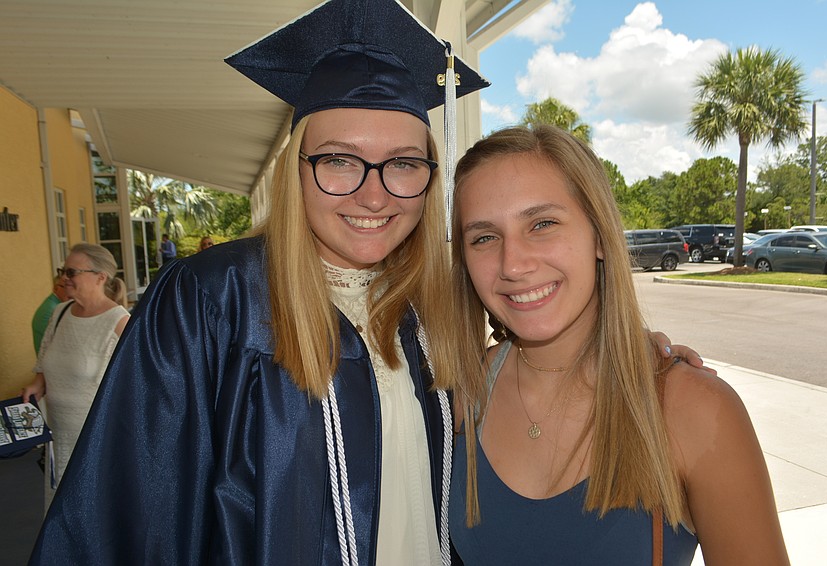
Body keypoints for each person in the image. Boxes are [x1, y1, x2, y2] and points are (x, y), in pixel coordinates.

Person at [29, 3, 698, 563]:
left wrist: (630, 353)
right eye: (340, 161)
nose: (374, 194)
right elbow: (126, 520)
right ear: (298, 170)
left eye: (403, 164)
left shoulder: (435, 312)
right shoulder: (213, 302)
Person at [447, 126, 789, 565]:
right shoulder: (463, 397)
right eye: (484, 237)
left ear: (600, 236)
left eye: (543, 224)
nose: (513, 263)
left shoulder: (694, 411)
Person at [21, 243, 130, 513]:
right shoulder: (59, 314)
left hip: (97, 440)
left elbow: (134, 386)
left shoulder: (119, 321)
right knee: (60, 512)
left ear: (100, 277)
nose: (63, 279)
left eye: (71, 272)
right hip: (57, 438)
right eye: (63, 271)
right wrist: (37, 384)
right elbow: (44, 364)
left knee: (93, 514)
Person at [31, 275, 68, 354]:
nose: (69, 291)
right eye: (66, 287)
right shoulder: (54, 309)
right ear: (55, 288)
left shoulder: (54, 304)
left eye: (72, 287)